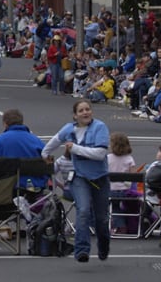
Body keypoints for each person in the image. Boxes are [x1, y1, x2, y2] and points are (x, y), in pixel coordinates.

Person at [42, 100, 110, 263]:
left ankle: (103, 245)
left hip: (100, 178)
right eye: (81, 110)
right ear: (75, 115)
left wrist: (75, 148)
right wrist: (47, 158)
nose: (85, 112)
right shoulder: (68, 129)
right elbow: (49, 147)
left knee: (101, 218)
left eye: (88, 109)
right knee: (83, 210)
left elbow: (100, 154)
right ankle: (81, 250)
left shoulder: (100, 127)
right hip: (79, 177)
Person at [0, 108, 46, 190]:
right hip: (35, 186)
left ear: (5, 124)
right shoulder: (37, 141)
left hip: (8, 188)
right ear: (21, 122)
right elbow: (47, 163)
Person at [107, 133, 136, 235]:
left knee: (112, 206)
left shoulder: (107, 158)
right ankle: (122, 225)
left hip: (110, 191)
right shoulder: (129, 159)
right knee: (118, 206)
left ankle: (119, 225)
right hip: (125, 191)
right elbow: (133, 177)